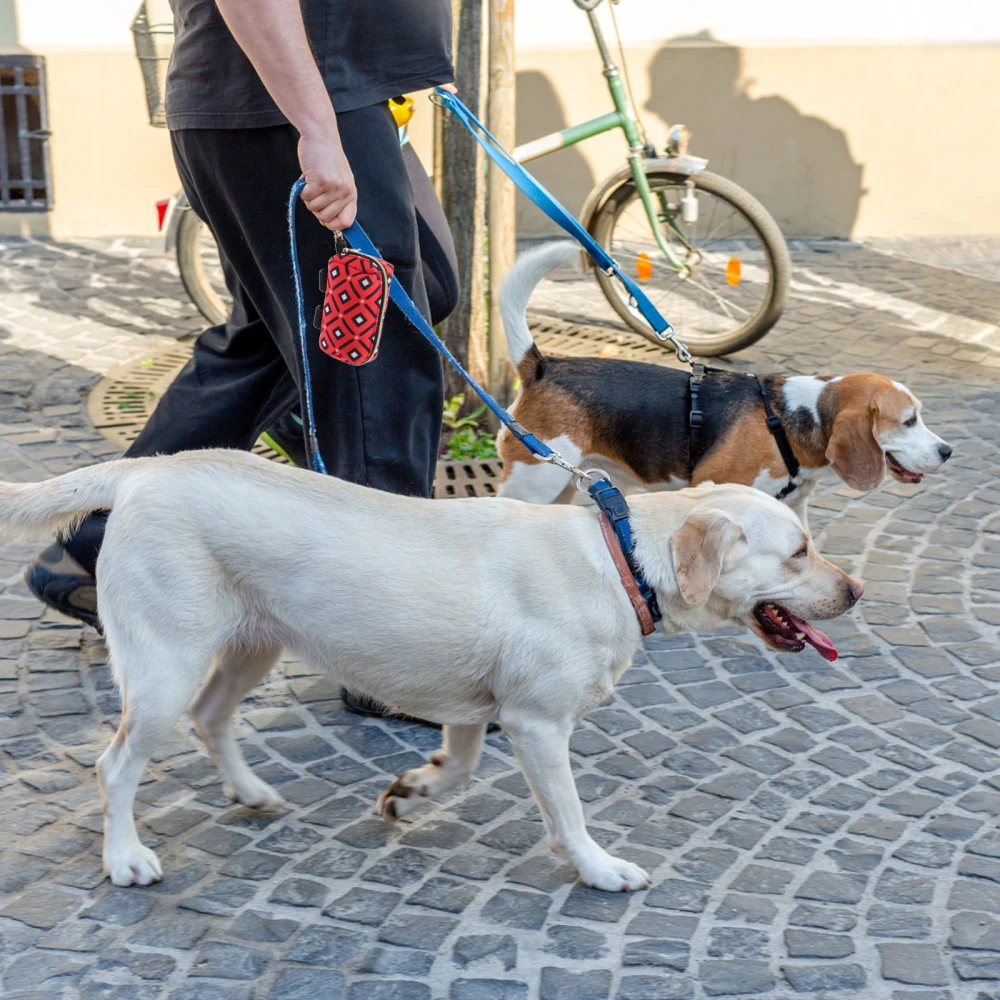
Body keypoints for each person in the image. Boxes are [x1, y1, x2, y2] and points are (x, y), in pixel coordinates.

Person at [26, 0, 458, 721]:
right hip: (295, 110)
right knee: (377, 373)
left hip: (323, 101)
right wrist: (317, 130)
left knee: (273, 346)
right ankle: (391, 655)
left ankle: (96, 546)